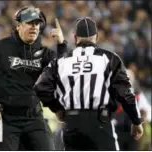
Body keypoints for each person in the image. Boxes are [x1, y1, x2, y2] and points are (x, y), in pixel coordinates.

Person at [34, 17, 144, 150]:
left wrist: (57, 109)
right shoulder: (110, 58)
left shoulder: (61, 61)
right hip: (100, 124)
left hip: (72, 124)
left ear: (75, 37)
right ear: (96, 37)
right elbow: (125, 93)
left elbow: (40, 87)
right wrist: (136, 121)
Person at [0, 6, 67, 150]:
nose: (34, 27)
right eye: (30, 23)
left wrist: (61, 45)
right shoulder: (0, 47)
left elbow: (63, 73)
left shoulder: (44, 53)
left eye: (37, 23)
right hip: (4, 119)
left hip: (33, 118)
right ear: (18, 26)